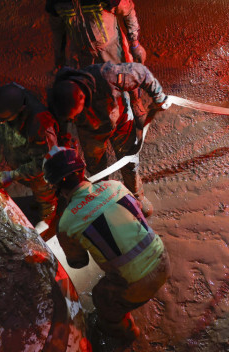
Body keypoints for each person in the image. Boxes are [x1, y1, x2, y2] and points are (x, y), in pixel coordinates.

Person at [44, 147, 170, 342]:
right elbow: (141, 213)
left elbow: (79, 263)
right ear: (82, 170)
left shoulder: (67, 222)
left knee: (100, 296)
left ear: (56, 187)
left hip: (137, 283)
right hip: (163, 260)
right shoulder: (115, 185)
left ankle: (125, 331)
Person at [48, 62, 169, 217]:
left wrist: (158, 97)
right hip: (90, 132)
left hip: (120, 121)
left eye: (76, 115)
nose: (74, 118)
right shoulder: (59, 98)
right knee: (97, 168)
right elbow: (60, 127)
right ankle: (105, 199)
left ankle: (136, 194)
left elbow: (142, 73)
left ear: (82, 96)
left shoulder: (107, 75)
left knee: (129, 160)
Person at [44, 0, 147, 70]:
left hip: (112, 51)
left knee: (123, 82)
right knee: (88, 84)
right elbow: (58, 30)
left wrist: (135, 43)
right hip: (82, 54)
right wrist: (60, 58)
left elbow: (128, 10)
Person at [0, 83, 59, 223]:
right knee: (31, 187)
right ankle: (36, 200)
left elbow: (45, 163)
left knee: (43, 191)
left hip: (40, 169)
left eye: (4, 120)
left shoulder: (40, 124)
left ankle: (47, 215)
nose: (0, 123)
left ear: (21, 110)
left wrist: (12, 175)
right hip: (19, 156)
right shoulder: (0, 103)